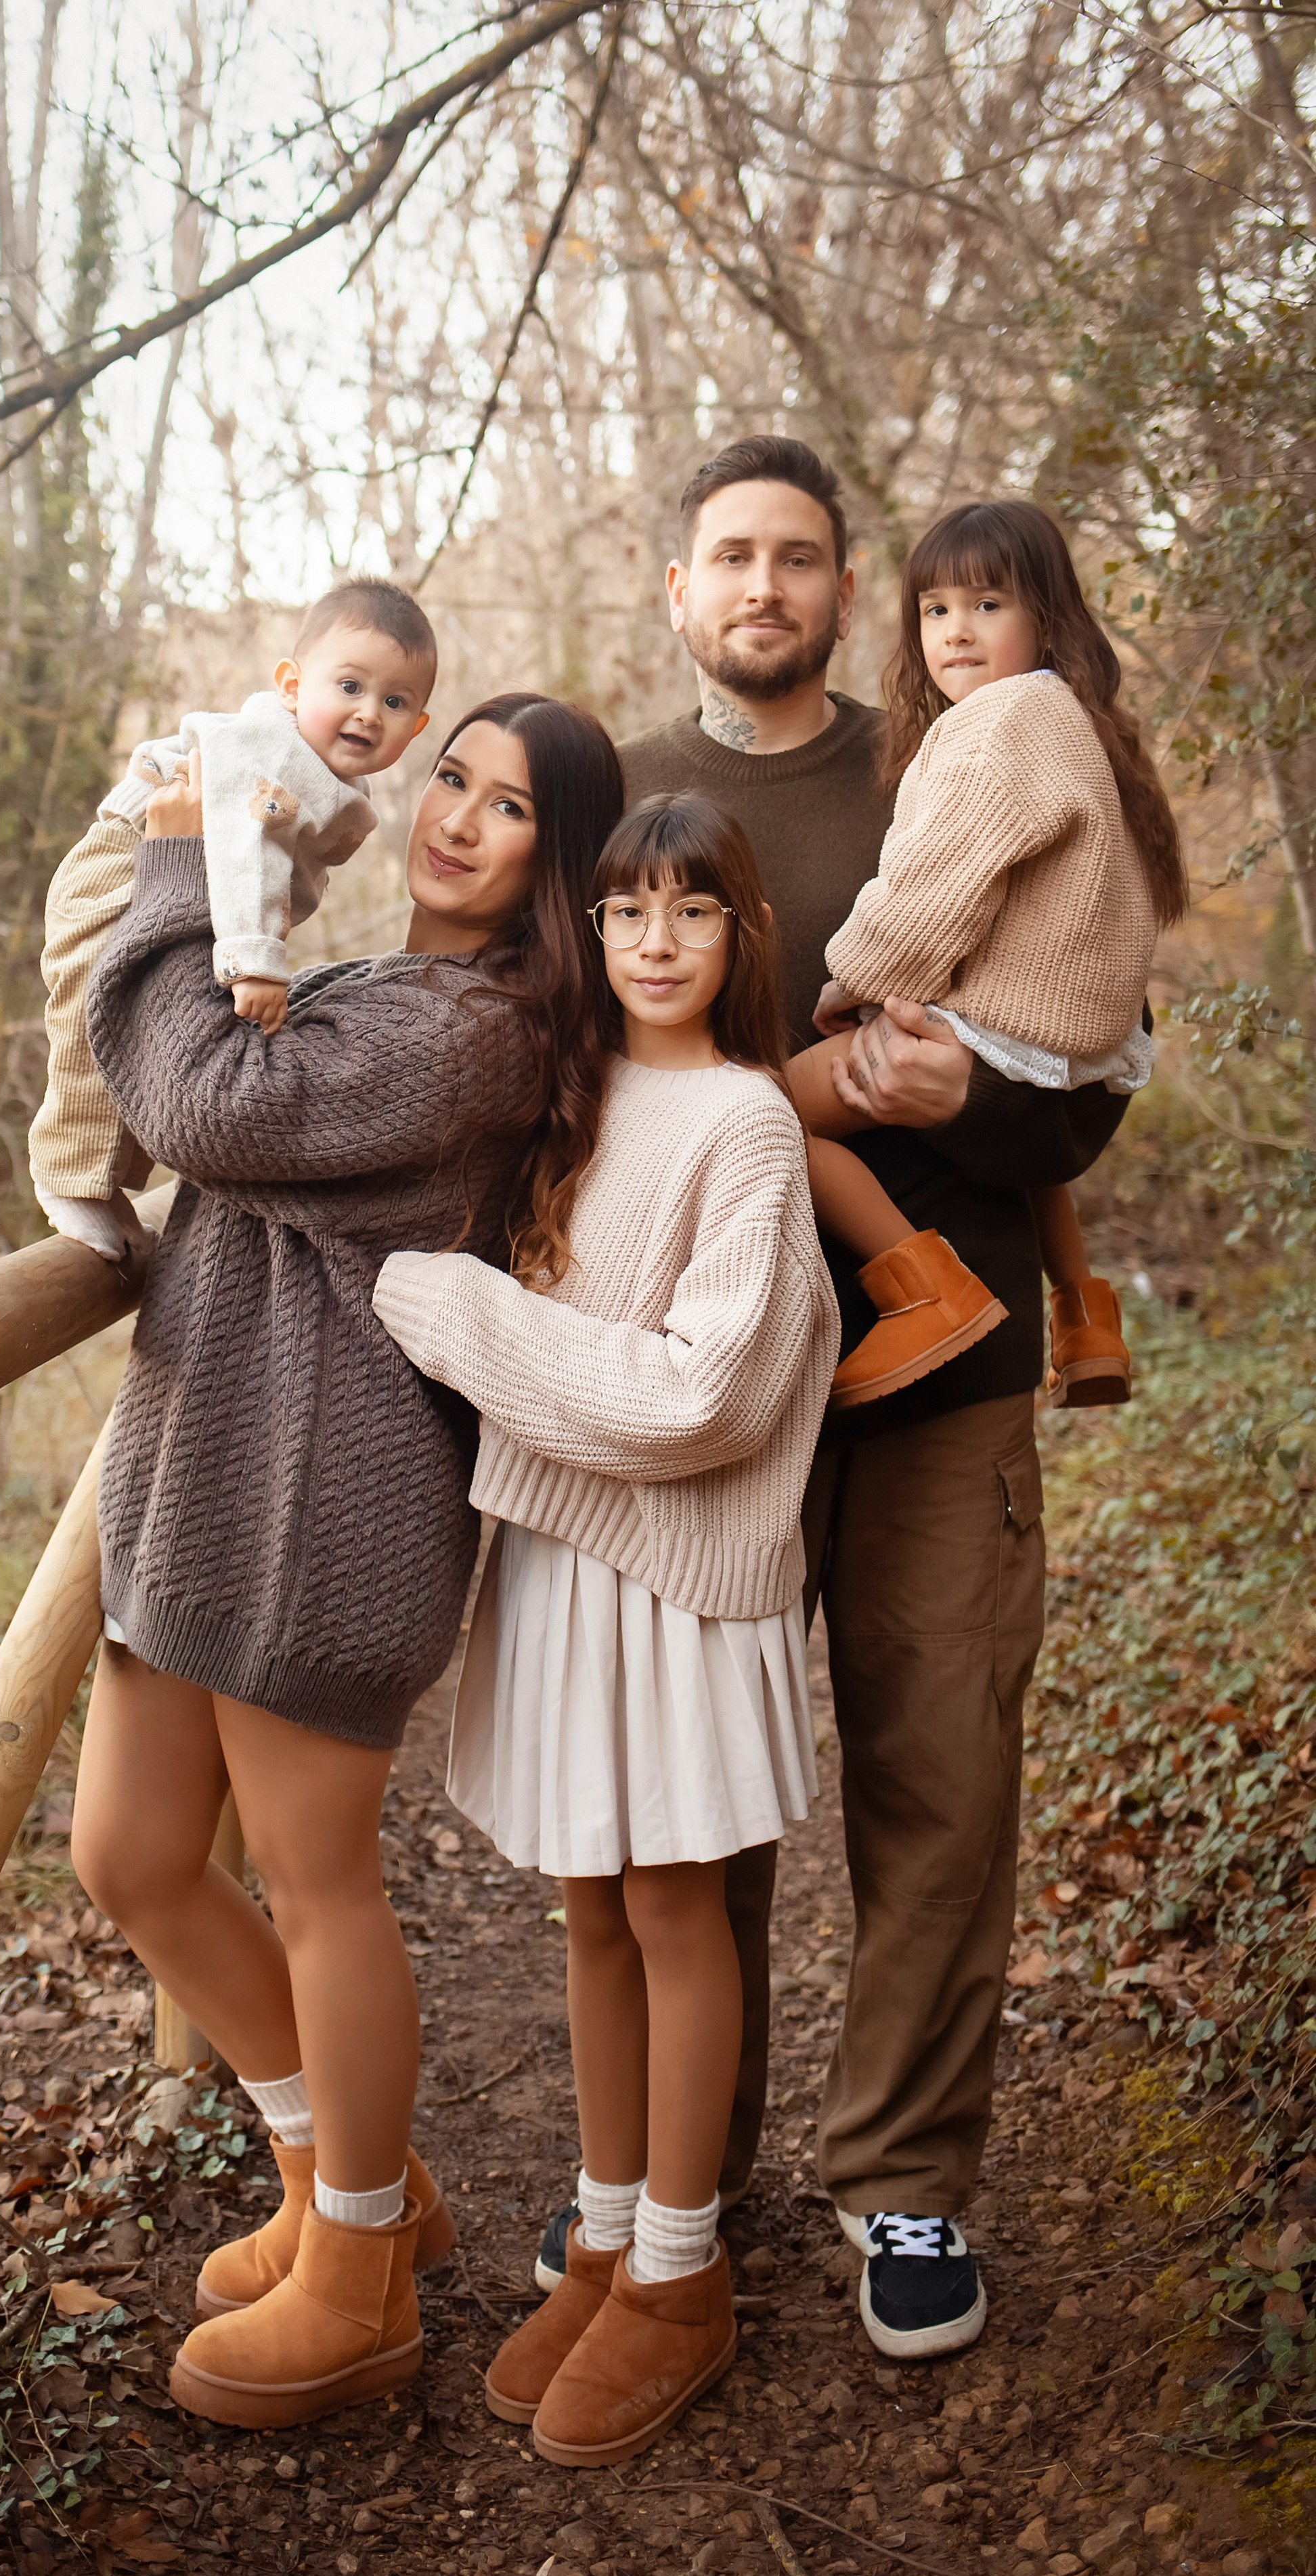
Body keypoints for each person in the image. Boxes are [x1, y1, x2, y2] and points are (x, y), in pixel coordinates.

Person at [531, 434, 1143, 2362]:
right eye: (733, 558)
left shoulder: (956, 746)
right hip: (694, 1390)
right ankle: (674, 2192)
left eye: (801, 557)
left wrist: (996, 1100)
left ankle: (905, 2191)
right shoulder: (619, 799)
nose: (767, 587)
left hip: (933, 1372)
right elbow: (532, 1057)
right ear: (678, 587)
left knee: (938, 1773)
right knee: (676, 1791)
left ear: (844, 582)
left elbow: (1104, 1055)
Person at [64, 693, 626, 2432]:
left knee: (314, 1884)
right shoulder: (384, 985)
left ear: (562, 856)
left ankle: (362, 2270)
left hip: (329, 1502)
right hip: (204, 1477)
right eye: (447, 776)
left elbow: (196, 1102)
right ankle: (341, 2180)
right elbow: (209, 1093)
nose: (456, 814)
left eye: (508, 804)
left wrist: (181, 854)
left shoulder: (485, 1031)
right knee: (132, 1854)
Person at [373, 793, 838, 2465]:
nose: (654, 940)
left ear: (738, 936)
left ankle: (680, 2271)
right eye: (628, 910)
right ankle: (603, 2226)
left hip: (675, 1562)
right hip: (563, 1554)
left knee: (668, 1897)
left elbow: (694, 1394)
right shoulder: (572, 1095)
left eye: (691, 912)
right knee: (584, 1903)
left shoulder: (746, 1126)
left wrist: (459, 1311)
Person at [790, 500, 1185, 1410]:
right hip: (1074, 1041)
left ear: (1047, 615)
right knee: (1030, 1163)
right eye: (934, 610)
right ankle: (1087, 1320)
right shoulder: (1082, 721)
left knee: (768, 1110)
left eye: (987, 605)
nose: (955, 631)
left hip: (1001, 1027)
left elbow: (933, 891)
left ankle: (922, 1284)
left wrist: (853, 981)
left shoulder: (999, 724)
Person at [26, 577, 436, 1266]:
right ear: (290, 686)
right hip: (127, 861)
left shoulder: (328, 773)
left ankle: (103, 1184)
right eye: (349, 687)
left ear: (416, 725)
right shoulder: (273, 753)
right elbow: (248, 847)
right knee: (92, 1004)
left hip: (187, 885)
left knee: (157, 1023)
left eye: (394, 702)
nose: (369, 713)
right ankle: (69, 1179)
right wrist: (256, 960)